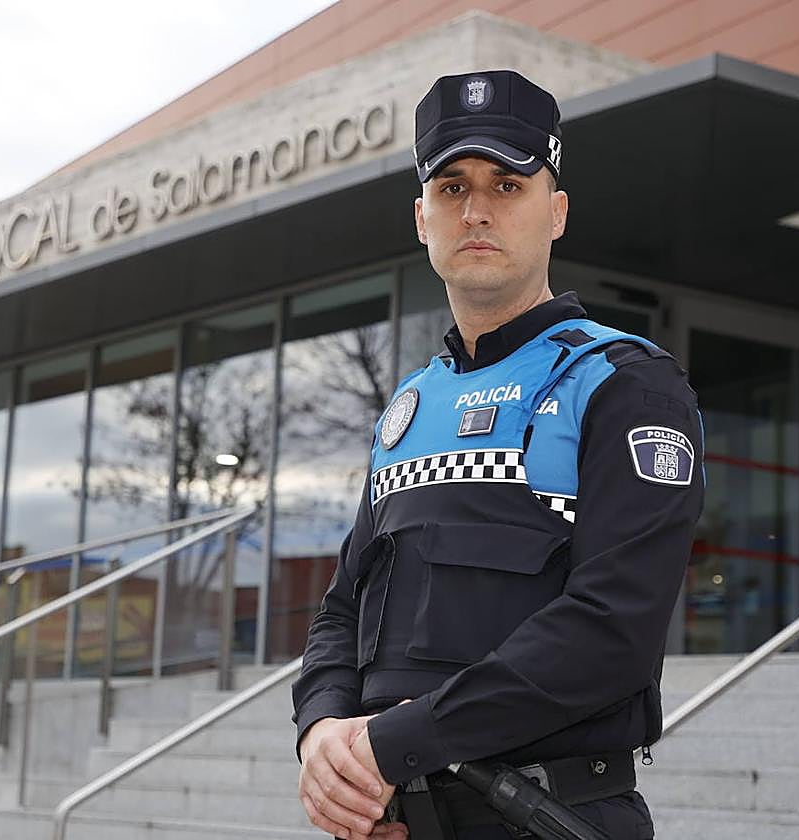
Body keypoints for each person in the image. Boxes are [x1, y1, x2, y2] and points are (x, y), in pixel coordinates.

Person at [290, 69, 705, 840]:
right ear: (422, 218)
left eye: (508, 184)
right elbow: (343, 608)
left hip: (550, 817)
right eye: (451, 187)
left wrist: (389, 747)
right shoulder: (408, 410)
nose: (476, 209)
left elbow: (611, 630)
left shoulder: (624, 383)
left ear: (557, 212)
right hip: (393, 818)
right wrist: (321, 735)